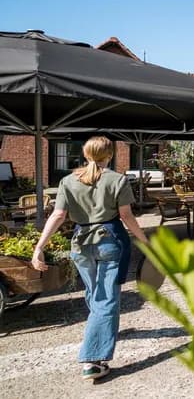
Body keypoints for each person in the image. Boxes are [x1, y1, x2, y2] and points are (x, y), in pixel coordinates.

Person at [31, 136, 149, 381]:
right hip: (109, 241)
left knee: (95, 293)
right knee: (106, 298)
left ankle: (101, 332)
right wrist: (145, 241)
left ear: (85, 155)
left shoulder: (67, 181)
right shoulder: (117, 180)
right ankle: (93, 360)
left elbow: (58, 215)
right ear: (109, 155)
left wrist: (39, 247)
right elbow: (126, 216)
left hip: (81, 244)